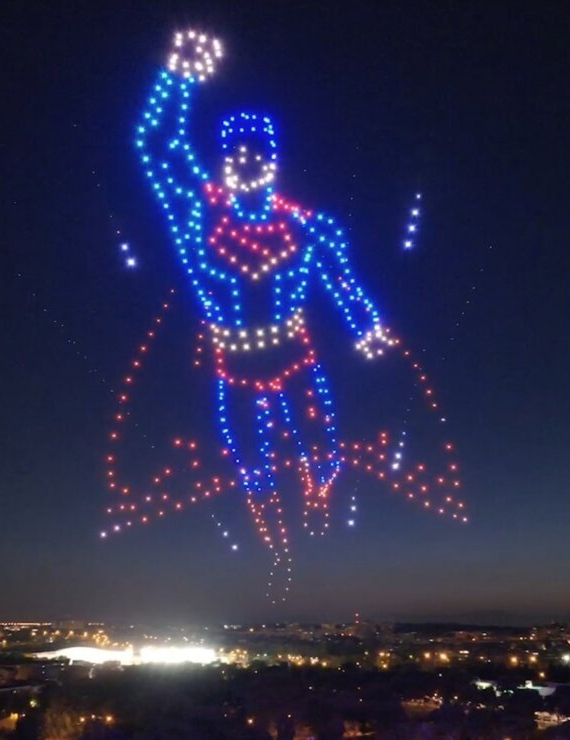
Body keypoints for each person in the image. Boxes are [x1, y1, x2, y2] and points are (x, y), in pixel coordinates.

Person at [134, 30, 395, 599]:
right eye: (237, 155)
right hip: (234, 367)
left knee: (323, 453)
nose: (247, 164)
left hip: (297, 359)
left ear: (274, 163)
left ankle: (319, 503)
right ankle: (278, 552)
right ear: (224, 162)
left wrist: (365, 324)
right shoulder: (199, 214)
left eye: (258, 155)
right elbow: (157, 146)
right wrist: (178, 79)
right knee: (252, 467)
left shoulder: (306, 226)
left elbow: (342, 280)